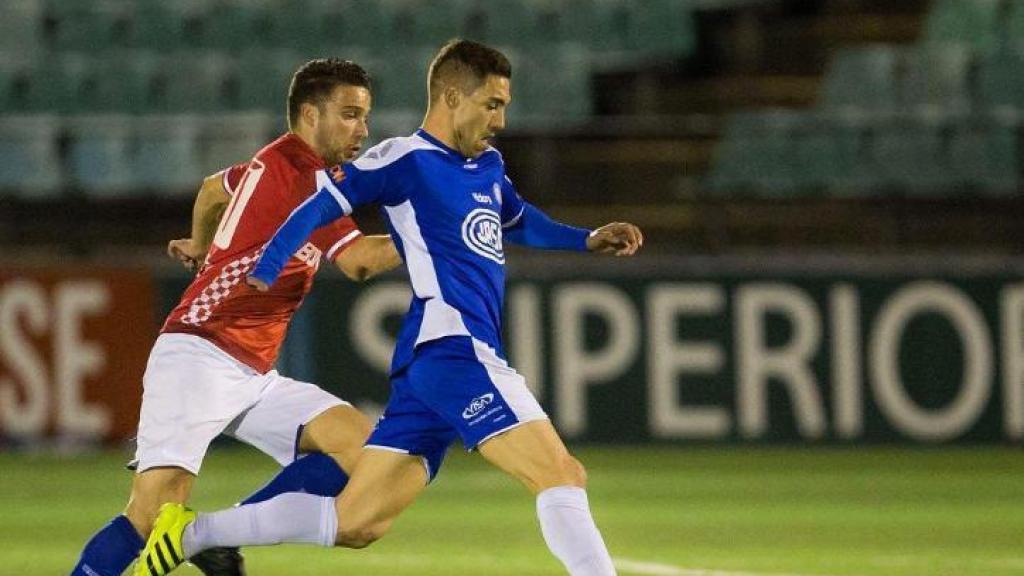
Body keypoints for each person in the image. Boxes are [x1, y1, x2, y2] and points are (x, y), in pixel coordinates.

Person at [136, 39, 642, 576]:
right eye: (491, 104)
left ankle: (195, 534)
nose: (500, 119)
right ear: (451, 96)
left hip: (431, 365)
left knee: (358, 521)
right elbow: (319, 206)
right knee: (561, 473)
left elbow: (517, 220)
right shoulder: (403, 159)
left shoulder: (487, 166)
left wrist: (586, 240)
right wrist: (269, 263)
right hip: (455, 349)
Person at [71, 58, 401, 576]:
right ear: (310, 115)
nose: (362, 129)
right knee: (150, 514)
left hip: (251, 371)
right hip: (199, 353)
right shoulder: (305, 176)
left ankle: (214, 536)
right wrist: (440, 231)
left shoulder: (273, 163)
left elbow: (210, 189)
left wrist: (202, 244)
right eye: (350, 114)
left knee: (361, 450)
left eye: (365, 116)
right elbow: (359, 262)